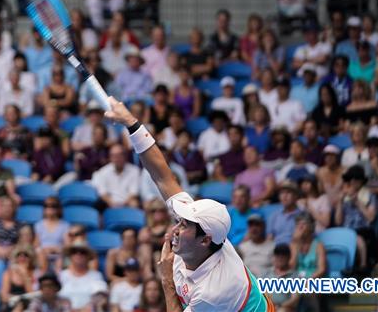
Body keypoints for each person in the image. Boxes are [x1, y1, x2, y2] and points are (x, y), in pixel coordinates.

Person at [103, 96, 272, 312]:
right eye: (180, 221)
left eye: (183, 225)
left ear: (205, 240)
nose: (175, 228)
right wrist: (132, 123)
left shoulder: (214, 292)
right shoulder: (203, 231)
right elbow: (163, 176)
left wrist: (166, 280)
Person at [58, 241, 107, 310]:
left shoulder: (96, 275)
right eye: (74, 252)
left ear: (88, 256)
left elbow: (100, 295)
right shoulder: (62, 275)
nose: (78, 254)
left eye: (82, 252)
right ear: (70, 256)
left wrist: (87, 307)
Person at [92, 144, 141, 208]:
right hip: (109, 203)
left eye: (119, 155)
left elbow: (134, 193)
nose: (117, 158)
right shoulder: (103, 172)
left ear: (125, 156)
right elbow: (103, 193)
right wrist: (112, 203)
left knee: (134, 203)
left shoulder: (135, 171)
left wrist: (123, 204)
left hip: (127, 202)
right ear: (110, 158)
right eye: (114, 156)